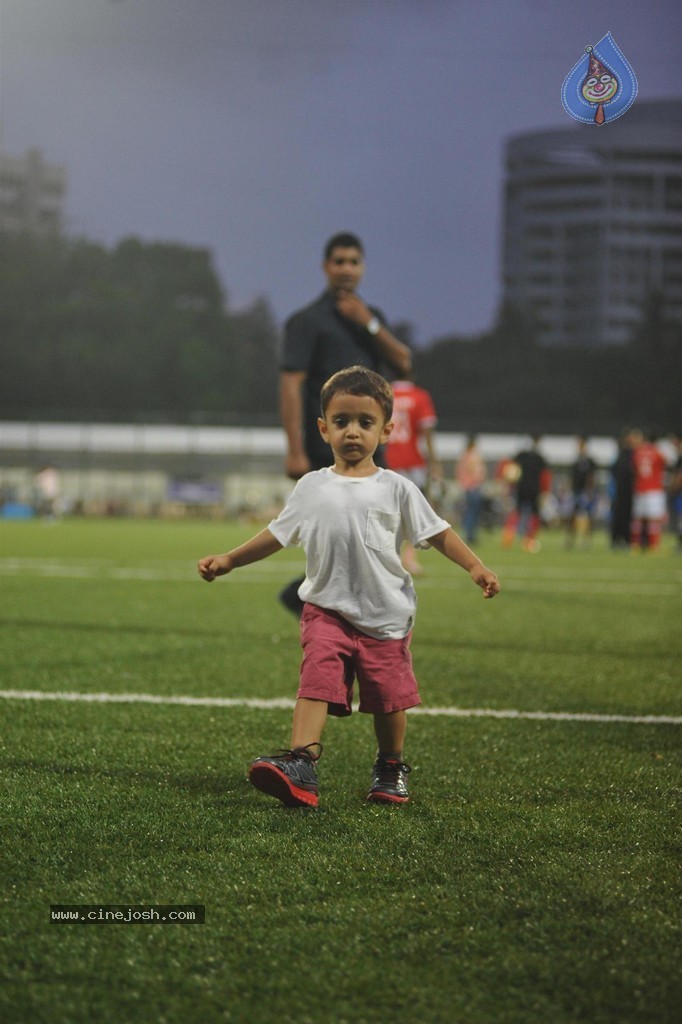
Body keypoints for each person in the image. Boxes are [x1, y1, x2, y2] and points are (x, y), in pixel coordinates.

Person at [198, 366, 499, 808]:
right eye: (341, 421)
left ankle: (390, 766)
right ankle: (302, 764)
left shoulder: (397, 488)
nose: (353, 431)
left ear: (386, 430)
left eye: (365, 422)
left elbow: (437, 532)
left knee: (389, 699)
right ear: (324, 429)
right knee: (315, 681)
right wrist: (230, 559)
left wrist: (475, 566)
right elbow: (277, 534)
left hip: (385, 616)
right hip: (326, 610)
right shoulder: (311, 487)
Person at [278, 232, 412, 617]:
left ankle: (307, 600)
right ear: (326, 267)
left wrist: (368, 323)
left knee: (376, 536)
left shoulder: (371, 320)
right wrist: (295, 450)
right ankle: (319, 605)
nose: (346, 269)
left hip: (371, 448)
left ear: (363, 267)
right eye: (339, 261)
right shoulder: (306, 321)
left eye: (354, 262)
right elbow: (290, 385)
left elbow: (404, 363)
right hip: (327, 447)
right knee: (339, 535)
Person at [385, 373, 441, 574]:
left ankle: (387, 557)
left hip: (386, 460)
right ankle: (409, 557)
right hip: (412, 462)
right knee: (413, 514)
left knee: (385, 513)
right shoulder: (419, 396)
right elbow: (427, 430)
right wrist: (434, 462)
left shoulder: (383, 393)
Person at [501, 435, 550, 552]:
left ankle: (508, 537)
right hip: (534, 489)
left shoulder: (521, 456)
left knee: (517, 512)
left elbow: (511, 471)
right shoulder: (539, 458)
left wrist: (509, 486)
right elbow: (545, 476)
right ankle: (529, 539)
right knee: (534, 514)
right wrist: (545, 491)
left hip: (521, 488)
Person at [631, 429, 668, 552]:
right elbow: (665, 464)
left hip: (639, 488)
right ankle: (653, 545)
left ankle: (635, 543)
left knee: (638, 518)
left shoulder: (638, 452)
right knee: (654, 519)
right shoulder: (658, 453)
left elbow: (634, 467)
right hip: (654, 489)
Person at [566, 436, 598, 549]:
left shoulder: (589, 462)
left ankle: (587, 540)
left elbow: (592, 477)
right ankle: (571, 539)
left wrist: (589, 491)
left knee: (588, 516)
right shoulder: (576, 462)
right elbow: (572, 477)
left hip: (586, 492)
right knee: (573, 515)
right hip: (576, 491)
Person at [455, 435, 487, 545]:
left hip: (468, 486)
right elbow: (476, 471)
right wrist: (478, 479)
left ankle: (469, 534)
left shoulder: (464, 456)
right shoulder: (473, 456)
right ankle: (469, 534)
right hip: (473, 486)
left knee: (470, 511)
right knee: (473, 511)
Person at [610, 429, 636, 549]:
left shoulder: (627, 455)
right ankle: (620, 539)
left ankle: (620, 539)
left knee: (623, 517)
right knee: (622, 516)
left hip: (624, 491)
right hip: (622, 491)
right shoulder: (625, 455)